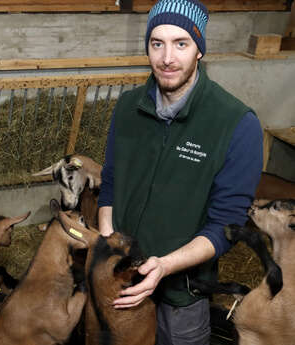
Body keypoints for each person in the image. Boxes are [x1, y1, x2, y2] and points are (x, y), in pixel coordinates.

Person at [97, 0, 263, 344]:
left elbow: (225, 227)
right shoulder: (128, 108)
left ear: (199, 50)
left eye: (181, 43)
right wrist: (109, 250)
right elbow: (111, 184)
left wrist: (164, 266)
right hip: (122, 279)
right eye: (157, 43)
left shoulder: (235, 124)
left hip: (182, 293)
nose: (167, 58)